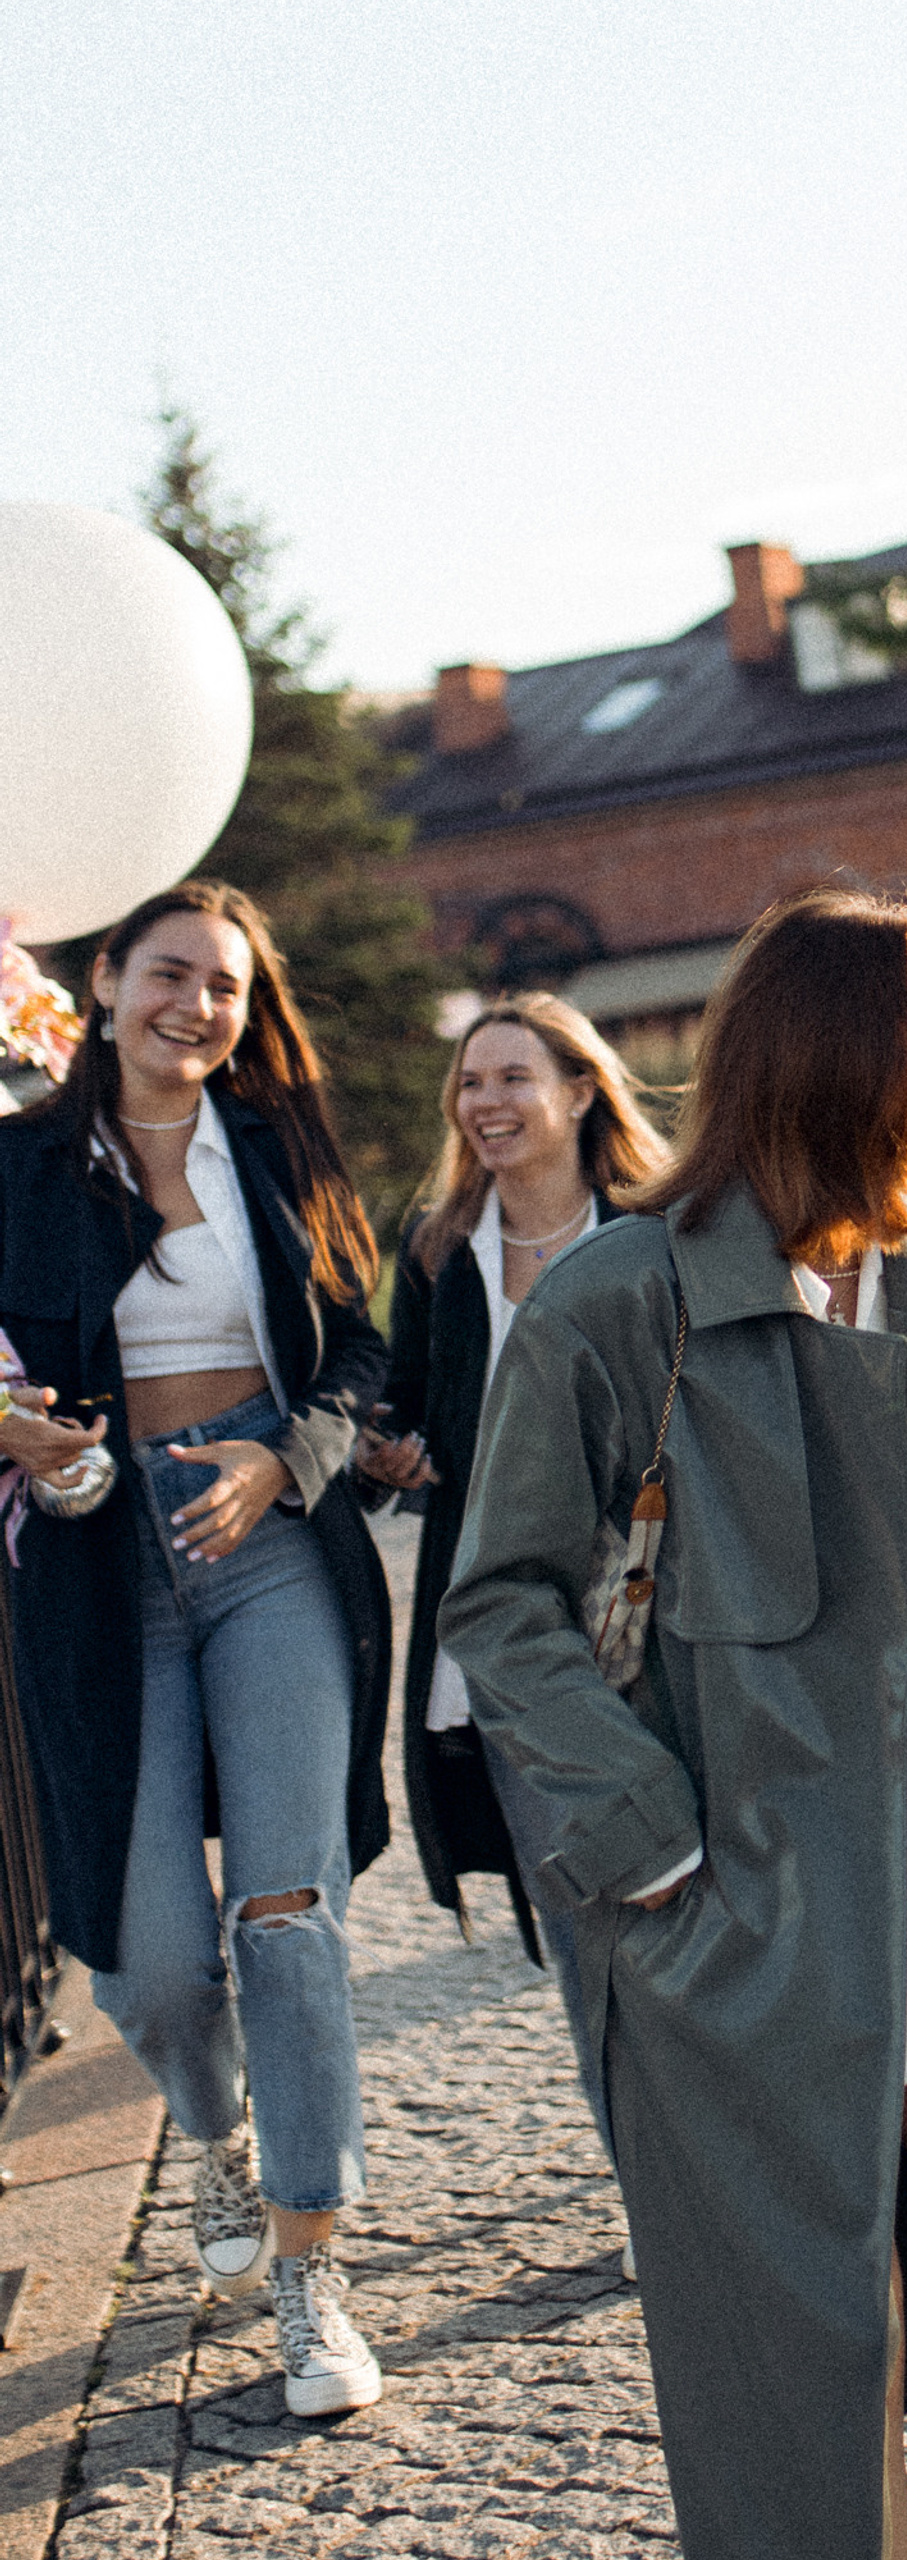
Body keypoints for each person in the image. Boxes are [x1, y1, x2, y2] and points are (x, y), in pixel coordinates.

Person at [439, 887, 907, 2560]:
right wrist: (647, 1844)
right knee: (805, 2401)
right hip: (744, 1909)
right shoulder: (618, 1301)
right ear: (852, 1062)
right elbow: (501, 1606)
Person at [0, 881, 393, 2417]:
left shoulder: (280, 1151)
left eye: (225, 986)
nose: (198, 1007)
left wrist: (281, 1461)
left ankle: (311, 2269)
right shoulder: (22, 1161)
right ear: (105, 981)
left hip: (267, 1543)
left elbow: (360, 1354)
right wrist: (31, 1444)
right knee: (158, 1962)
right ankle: (219, 2145)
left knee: (287, 1918)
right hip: (100, 1571)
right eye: (170, 975)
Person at [353, 994, 670, 2163]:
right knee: (580, 1915)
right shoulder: (439, 1252)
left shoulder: (651, 1229)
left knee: (689, 1897)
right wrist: (395, 1453)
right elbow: (418, 1413)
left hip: (657, 1606)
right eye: (469, 1084)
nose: (483, 1103)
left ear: (582, 1088)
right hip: (506, 1628)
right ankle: (649, 2173)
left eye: (509, 1077)